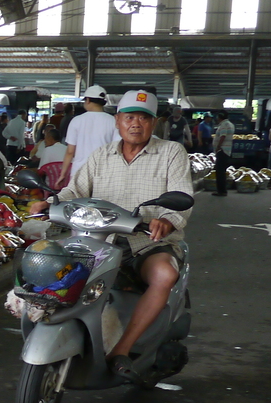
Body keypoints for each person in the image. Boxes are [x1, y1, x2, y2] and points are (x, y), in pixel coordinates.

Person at [29, 89, 193, 384]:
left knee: (164, 276)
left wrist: (168, 220)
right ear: (117, 121)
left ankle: (121, 350)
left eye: (143, 119)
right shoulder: (101, 155)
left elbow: (183, 195)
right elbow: (75, 191)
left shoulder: (171, 152)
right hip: (99, 241)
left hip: (148, 243)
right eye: (129, 117)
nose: (136, 124)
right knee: (49, 267)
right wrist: (50, 203)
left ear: (153, 124)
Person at [61, 85, 118, 184]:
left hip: (79, 172)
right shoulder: (113, 121)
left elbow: (70, 152)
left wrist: (63, 174)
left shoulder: (76, 121)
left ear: (87, 100)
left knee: (79, 200)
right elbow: (117, 149)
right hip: (104, 173)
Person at [210, 110, 236, 196]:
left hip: (222, 150)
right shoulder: (230, 124)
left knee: (220, 171)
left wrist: (218, 147)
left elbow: (223, 136)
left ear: (219, 117)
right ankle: (222, 190)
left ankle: (221, 191)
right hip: (226, 150)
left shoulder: (224, 125)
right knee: (222, 171)